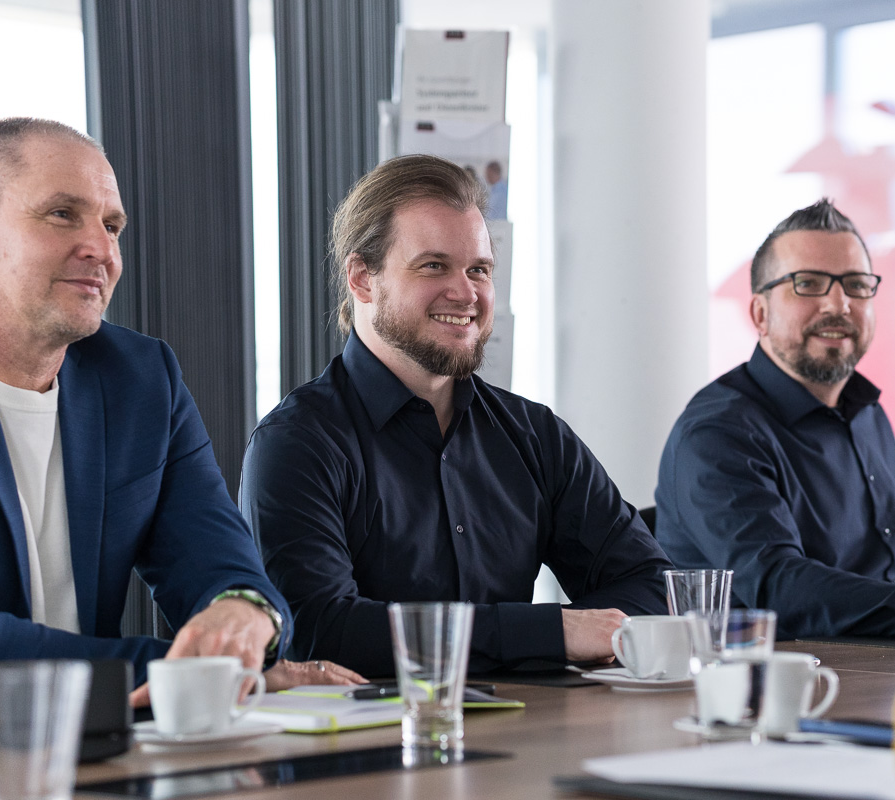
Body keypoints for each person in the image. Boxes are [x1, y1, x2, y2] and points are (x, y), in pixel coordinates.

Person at [0, 117, 359, 689]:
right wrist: (195, 674)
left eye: (113, 225)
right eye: (61, 214)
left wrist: (243, 615)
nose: (102, 250)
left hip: (104, 750)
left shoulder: (141, 378)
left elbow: (220, 562)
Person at [240, 154, 670, 677]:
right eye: (434, 266)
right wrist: (549, 633)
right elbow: (317, 629)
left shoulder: (534, 435)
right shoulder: (297, 444)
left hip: (528, 736)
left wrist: (560, 635)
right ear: (362, 280)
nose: (466, 293)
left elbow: (653, 584)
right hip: (370, 748)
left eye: (479, 270)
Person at [654, 199, 895, 639]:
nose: (839, 304)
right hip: (771, 687)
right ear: (760, 313)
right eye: (809, 284)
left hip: (883, 668)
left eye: (856, 285)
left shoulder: (867, 413)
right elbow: (778, 588)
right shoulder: (718, 434)